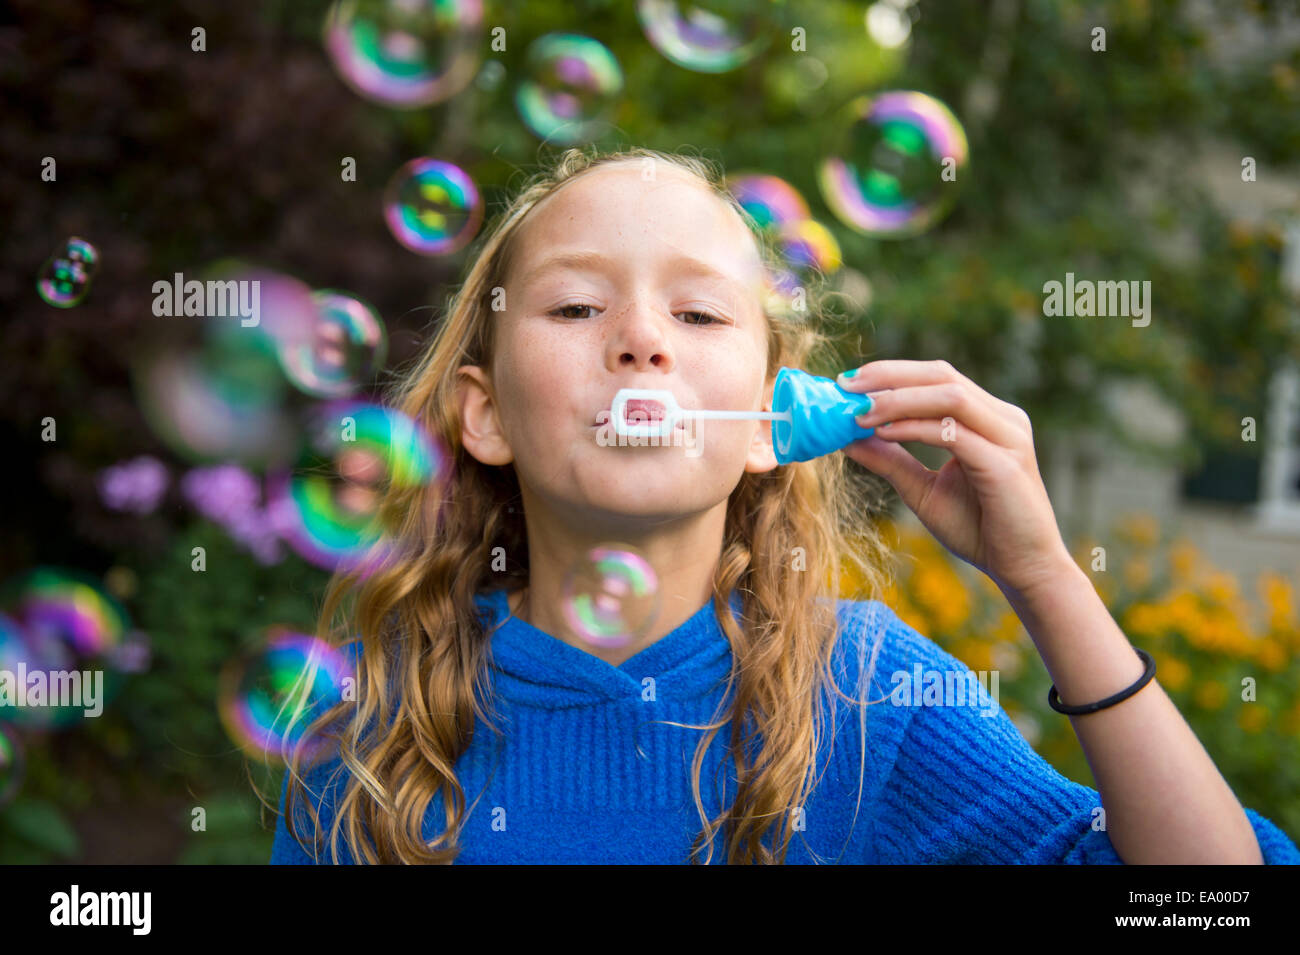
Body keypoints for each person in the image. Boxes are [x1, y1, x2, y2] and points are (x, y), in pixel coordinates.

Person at [268, 145, 1300, 864]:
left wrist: (1042, 578)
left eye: (699, 311)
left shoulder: (862, 699)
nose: (641, 341)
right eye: (579, 305)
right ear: (485, 416)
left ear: (769, 420)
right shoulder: (370, 729)